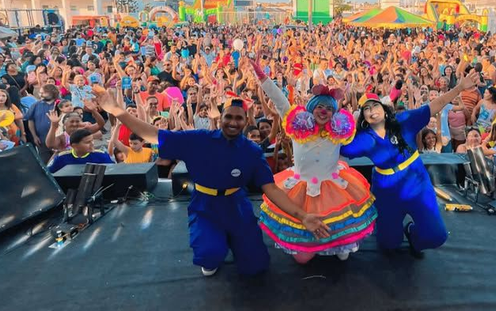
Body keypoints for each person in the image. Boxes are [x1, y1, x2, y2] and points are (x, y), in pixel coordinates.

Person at [92, 86, 329, 277]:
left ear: (246, 119)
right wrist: (118, 112)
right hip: (205, 206)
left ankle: (234, 238)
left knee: (256, 267)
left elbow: (271, 189)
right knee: (209, 256)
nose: (233, 122)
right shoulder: (198, 139)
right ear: (222, 118)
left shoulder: (251, 151)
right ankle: (214, 243)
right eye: (228, 117)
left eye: (239, 118)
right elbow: (152, 134)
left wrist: (302, 215)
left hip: (237, 206)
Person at [341, 70, 478, 258]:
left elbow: (434, 106)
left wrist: (460, 88)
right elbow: (338, 148)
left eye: (375, 106)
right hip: (386, 190)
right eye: (366, 109)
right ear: (363, 117)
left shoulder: (404, 120)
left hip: (417, 183)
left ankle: (413, 232)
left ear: (384, 108)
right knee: (388, 245)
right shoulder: (364, 139)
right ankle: (392, 234)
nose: (372, 111)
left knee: (436, 236)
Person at [252, 60, 377, 263]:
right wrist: (262, 77)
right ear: (310, 109)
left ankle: (338, 242)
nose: (323, 111)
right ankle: (310, 243)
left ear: (334, 113)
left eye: (328, 108)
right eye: (319, 106)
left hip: (334, 185)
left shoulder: (340, 130)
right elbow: (279, 100)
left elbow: (364, 113)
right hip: (300, 186)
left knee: (341, 245)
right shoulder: (296, 124)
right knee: (303, 259)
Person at [47, 129, 114, 173]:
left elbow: (113, 172)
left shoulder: (101, 156)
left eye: (92, 140)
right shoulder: (62, 158)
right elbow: (49, 174)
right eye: (87, 142)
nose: (92, 144)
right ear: (74, 145)